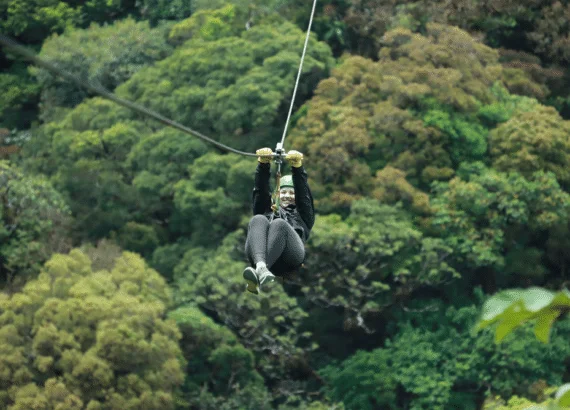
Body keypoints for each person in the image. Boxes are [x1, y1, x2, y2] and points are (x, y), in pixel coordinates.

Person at [243, 147, 315, 294]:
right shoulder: (267, 209)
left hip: (290, 255)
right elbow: (260, 191)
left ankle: (260, 269)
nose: (287, 196)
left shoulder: (302, 215)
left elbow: (303, 195)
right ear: (277, 193)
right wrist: (263, 165)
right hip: (261, 256)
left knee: (279, 224)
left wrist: (297, 168)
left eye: (291, 193)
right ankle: (261, 268)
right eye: (283, 192)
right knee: (258, 218)